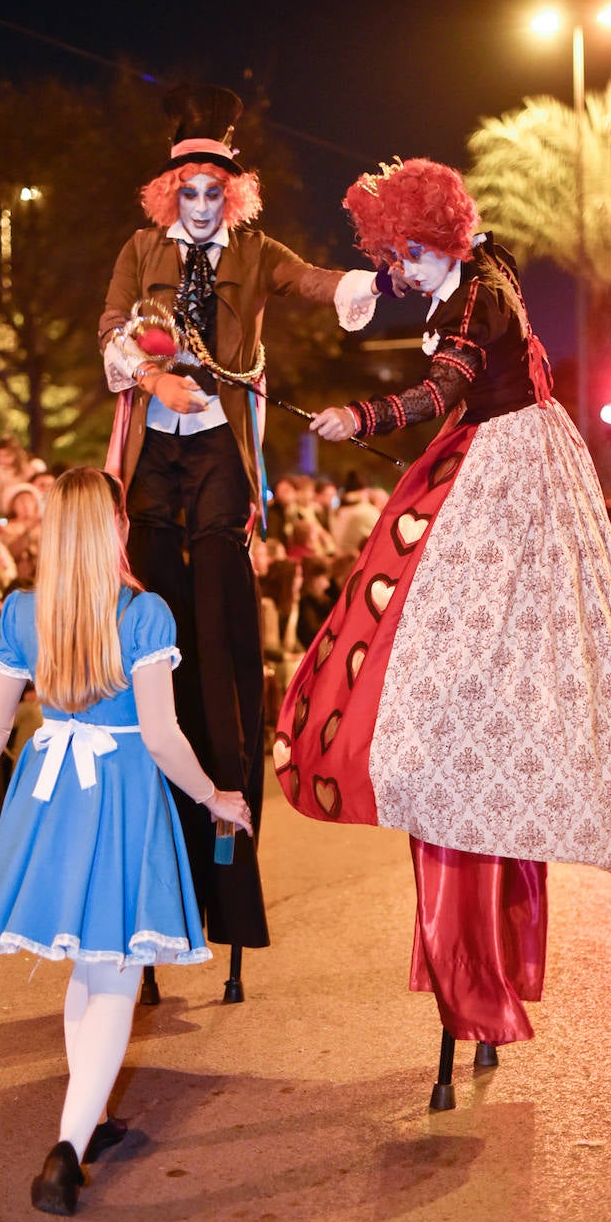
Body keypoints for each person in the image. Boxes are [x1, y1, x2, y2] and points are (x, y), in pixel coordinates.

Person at [276, 158, 611, 1058]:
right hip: (502, 462)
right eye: (394, 259)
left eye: (406, 257)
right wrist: (338, 276)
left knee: (457, 641)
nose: (398, 275)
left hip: (499, 474)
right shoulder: (479, 264)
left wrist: (360, 419)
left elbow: (439, 391)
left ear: (440, 243)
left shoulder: (474, 301)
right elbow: (403, 281)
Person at [0, 468, 252, 1217]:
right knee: (115, 972)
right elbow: (162, 738)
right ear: (117, 530)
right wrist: (214, 798)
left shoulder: (22, 612)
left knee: (86, 963)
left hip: (53, 797)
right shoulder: (144, 614)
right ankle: (66, 1150)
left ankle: (92, 1122)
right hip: (123, 789)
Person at [99, 83, 383, 975]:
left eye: (216, 184)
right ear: (167, 188)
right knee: (153, 622)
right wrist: (152, 380)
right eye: (187, 183)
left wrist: (370, 279)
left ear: (235, 189)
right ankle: (152, 861)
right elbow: (112, 331)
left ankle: (225, 845)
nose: (201, 197)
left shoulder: (255, 251)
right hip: (155, 452)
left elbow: (313, 282)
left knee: (219, 640)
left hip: (221, 448)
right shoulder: (140, 248)